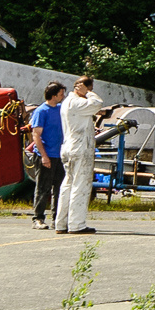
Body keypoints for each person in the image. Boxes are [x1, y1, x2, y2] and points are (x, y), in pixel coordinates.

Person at [54, 76, 111, 235]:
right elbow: (97, 103)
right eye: (89, 89)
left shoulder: (66, 102)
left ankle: (61, 223)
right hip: (79, 148)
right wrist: (89, 93)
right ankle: (76, 224)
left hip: (68, 147)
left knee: (68, 184)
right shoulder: (78, 102)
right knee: (81, 185)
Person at [29, 81, 67, 229]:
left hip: (60, 155)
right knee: (43, 188)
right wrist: (44, 156)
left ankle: (57, 218)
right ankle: (38, 218)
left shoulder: (61, 109)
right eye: (61, 94)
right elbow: (36, 135)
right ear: (53, 95)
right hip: (46, 155)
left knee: (59, 188)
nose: (63, 96)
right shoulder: (41, 111)